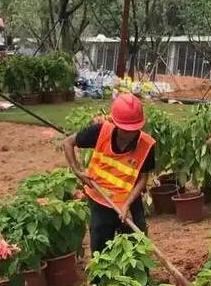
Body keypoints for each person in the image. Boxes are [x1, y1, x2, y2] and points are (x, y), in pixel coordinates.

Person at [63, 92, 156, 256]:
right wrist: (78, 171)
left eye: (134, 130)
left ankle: (140, 280)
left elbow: (143, 178)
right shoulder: (100, 132)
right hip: (100, 197)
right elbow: (68, 142)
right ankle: (100, 281)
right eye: (126, 130)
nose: (130, 134)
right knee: (100, 246)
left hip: (128, 199)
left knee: (137, 243)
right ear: (115, 123)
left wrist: (127, 204)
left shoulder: (146, 145)